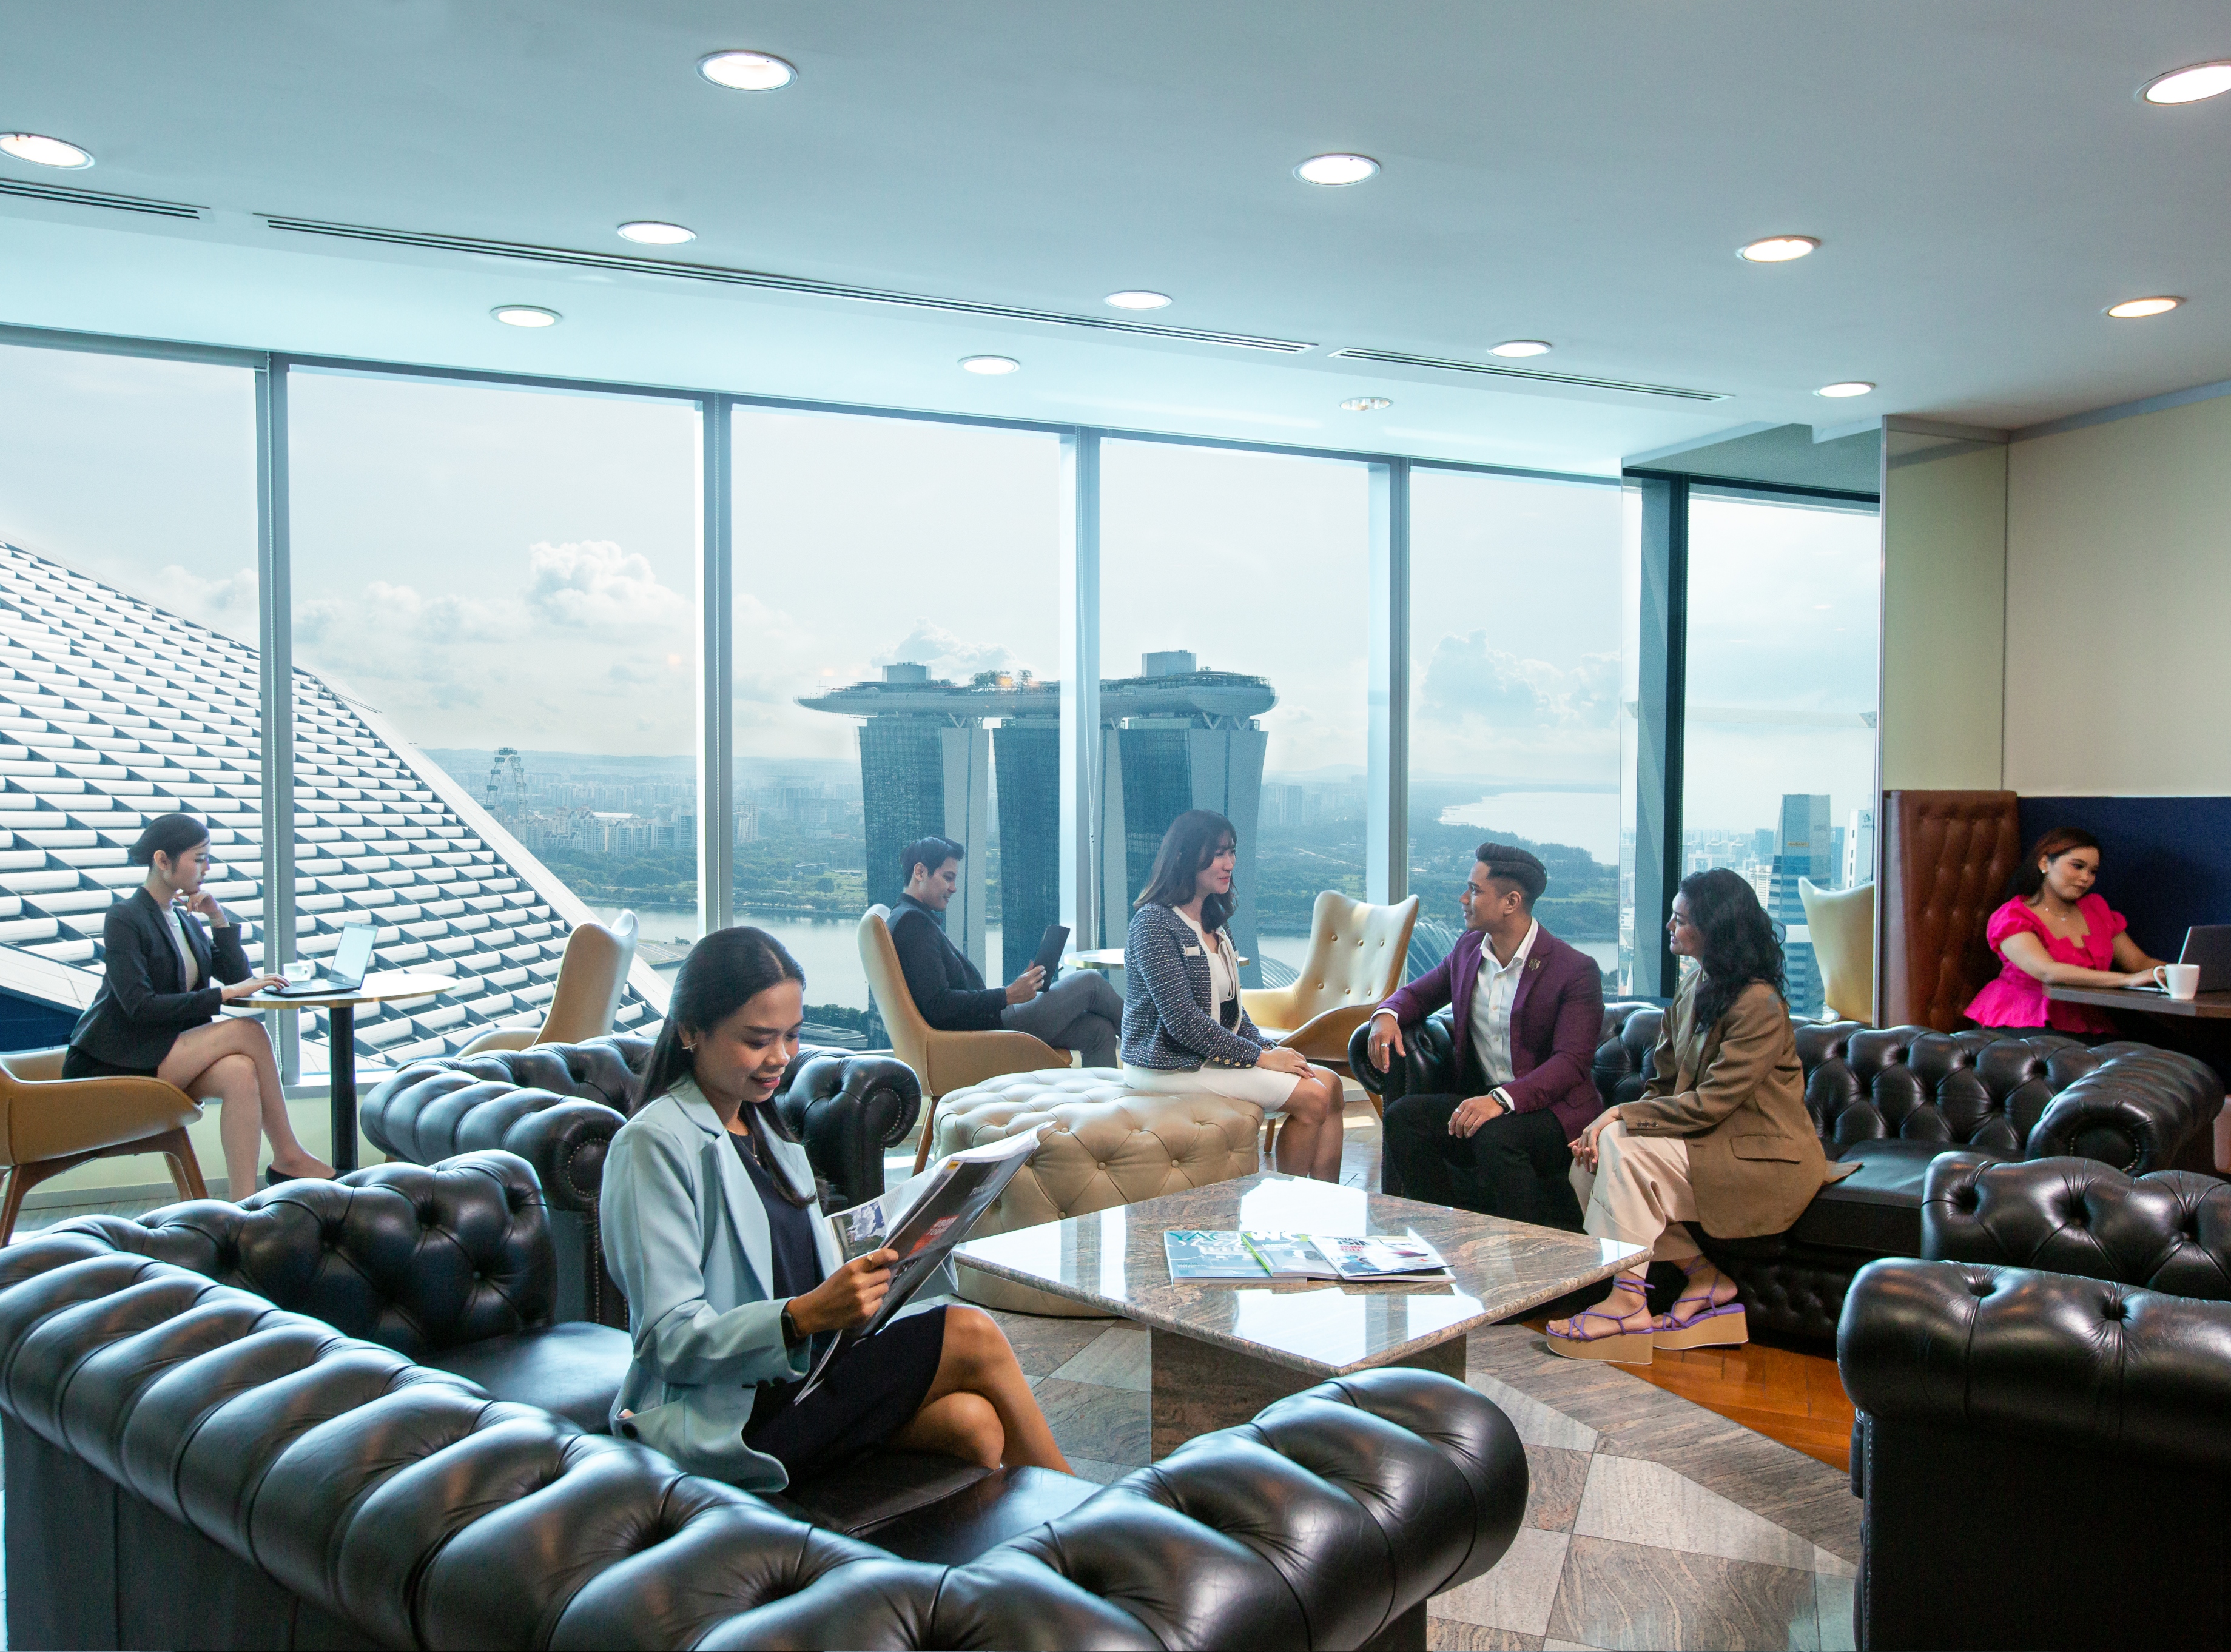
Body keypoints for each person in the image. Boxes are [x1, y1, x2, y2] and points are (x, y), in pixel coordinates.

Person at [600, 924, 1069, 1492]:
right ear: (690, 1031)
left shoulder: (766, 1131)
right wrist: (803, 1316)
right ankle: (1095, 1525)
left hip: (807, 1376)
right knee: (969, 1331)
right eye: (758, 1039)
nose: (781, 1057)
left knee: (974, 1426)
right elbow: (667, 1341)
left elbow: (799, 1269)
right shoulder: (652, 1145)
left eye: (793, 1035)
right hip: (731, 1413)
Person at [1545, 868, 1855, 1363]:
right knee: (1592, 1160)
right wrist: (1616, 1124)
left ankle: (1627, 1304)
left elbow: (1712, 1103)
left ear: (1716, 930)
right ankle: (1705, 1279)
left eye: (1681, 919)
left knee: (1622, 1150)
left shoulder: (1759, 1004)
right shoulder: (1694, 985)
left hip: (1764, 1161)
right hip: (1708, 1144)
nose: (1669, 926)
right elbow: (1664, 1084)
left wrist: (1619, 1115)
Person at [64, 813, 328, 1198]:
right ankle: (289, 1154)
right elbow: (141, 1007)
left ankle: (242, 1205)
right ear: (162, 860)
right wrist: (225, 994)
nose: (207, 868)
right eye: (199, 858)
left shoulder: (186, 920)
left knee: (240, 1072)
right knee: (249, 1031)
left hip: (166, 1054)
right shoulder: (125, 917)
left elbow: (237, 974)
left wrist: (218, 919)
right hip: (120, 1060)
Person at [1366, 843, 1604, 1227]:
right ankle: (1445, 1233)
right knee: (1404, 1118)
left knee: (1495, 1136)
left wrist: (1500, 1100)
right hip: (1487, 1103)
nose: (1464, 899)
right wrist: (1386, 1014)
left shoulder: (1574, 970)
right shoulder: (1468, 949)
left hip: (1554, 1113)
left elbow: (1571, 1063)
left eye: (1475, 891)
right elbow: (1418, 994)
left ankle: (1530, 1246)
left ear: (1511, 902)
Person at [1119, 810, 1347, 1181]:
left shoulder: (1216, 923)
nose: (1229, 864)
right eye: (1217, 854)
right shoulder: (1153, 924)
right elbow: (1184, 1024)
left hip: (1206, 1056)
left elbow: (1233, 1013)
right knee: (1314, 1098)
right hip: (1167, 1065)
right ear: (1184, 857)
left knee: (1332, 1086)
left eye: (1232, 852)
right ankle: (1293, 1209)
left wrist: (1267, 1050)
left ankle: (1326, 1204)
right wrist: (1261, 1058)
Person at [888, 835, 1125, 1069]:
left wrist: (1014, 990)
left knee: (1099, 1031)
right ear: (920, 872)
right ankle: (1148, 1044)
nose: (954, 888)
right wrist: (1008, 995)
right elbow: (939, 1005)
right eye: (948, 878)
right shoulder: (913, 923)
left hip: (987, 1023)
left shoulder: (909, 918)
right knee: (1091, 982)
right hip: (983, 1033)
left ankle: (1107, 1094)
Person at [1964, 827, 2169, 1036]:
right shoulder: (2013, 916)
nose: (2086, 878)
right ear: (2045, 863)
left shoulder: (2096, 909)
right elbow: (2047, 972)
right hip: (2021, 1021)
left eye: (2093, 871)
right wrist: (2127, 980)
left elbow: (2139, 962)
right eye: (2077, 866)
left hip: (2087, 1022)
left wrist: (2177, 972)